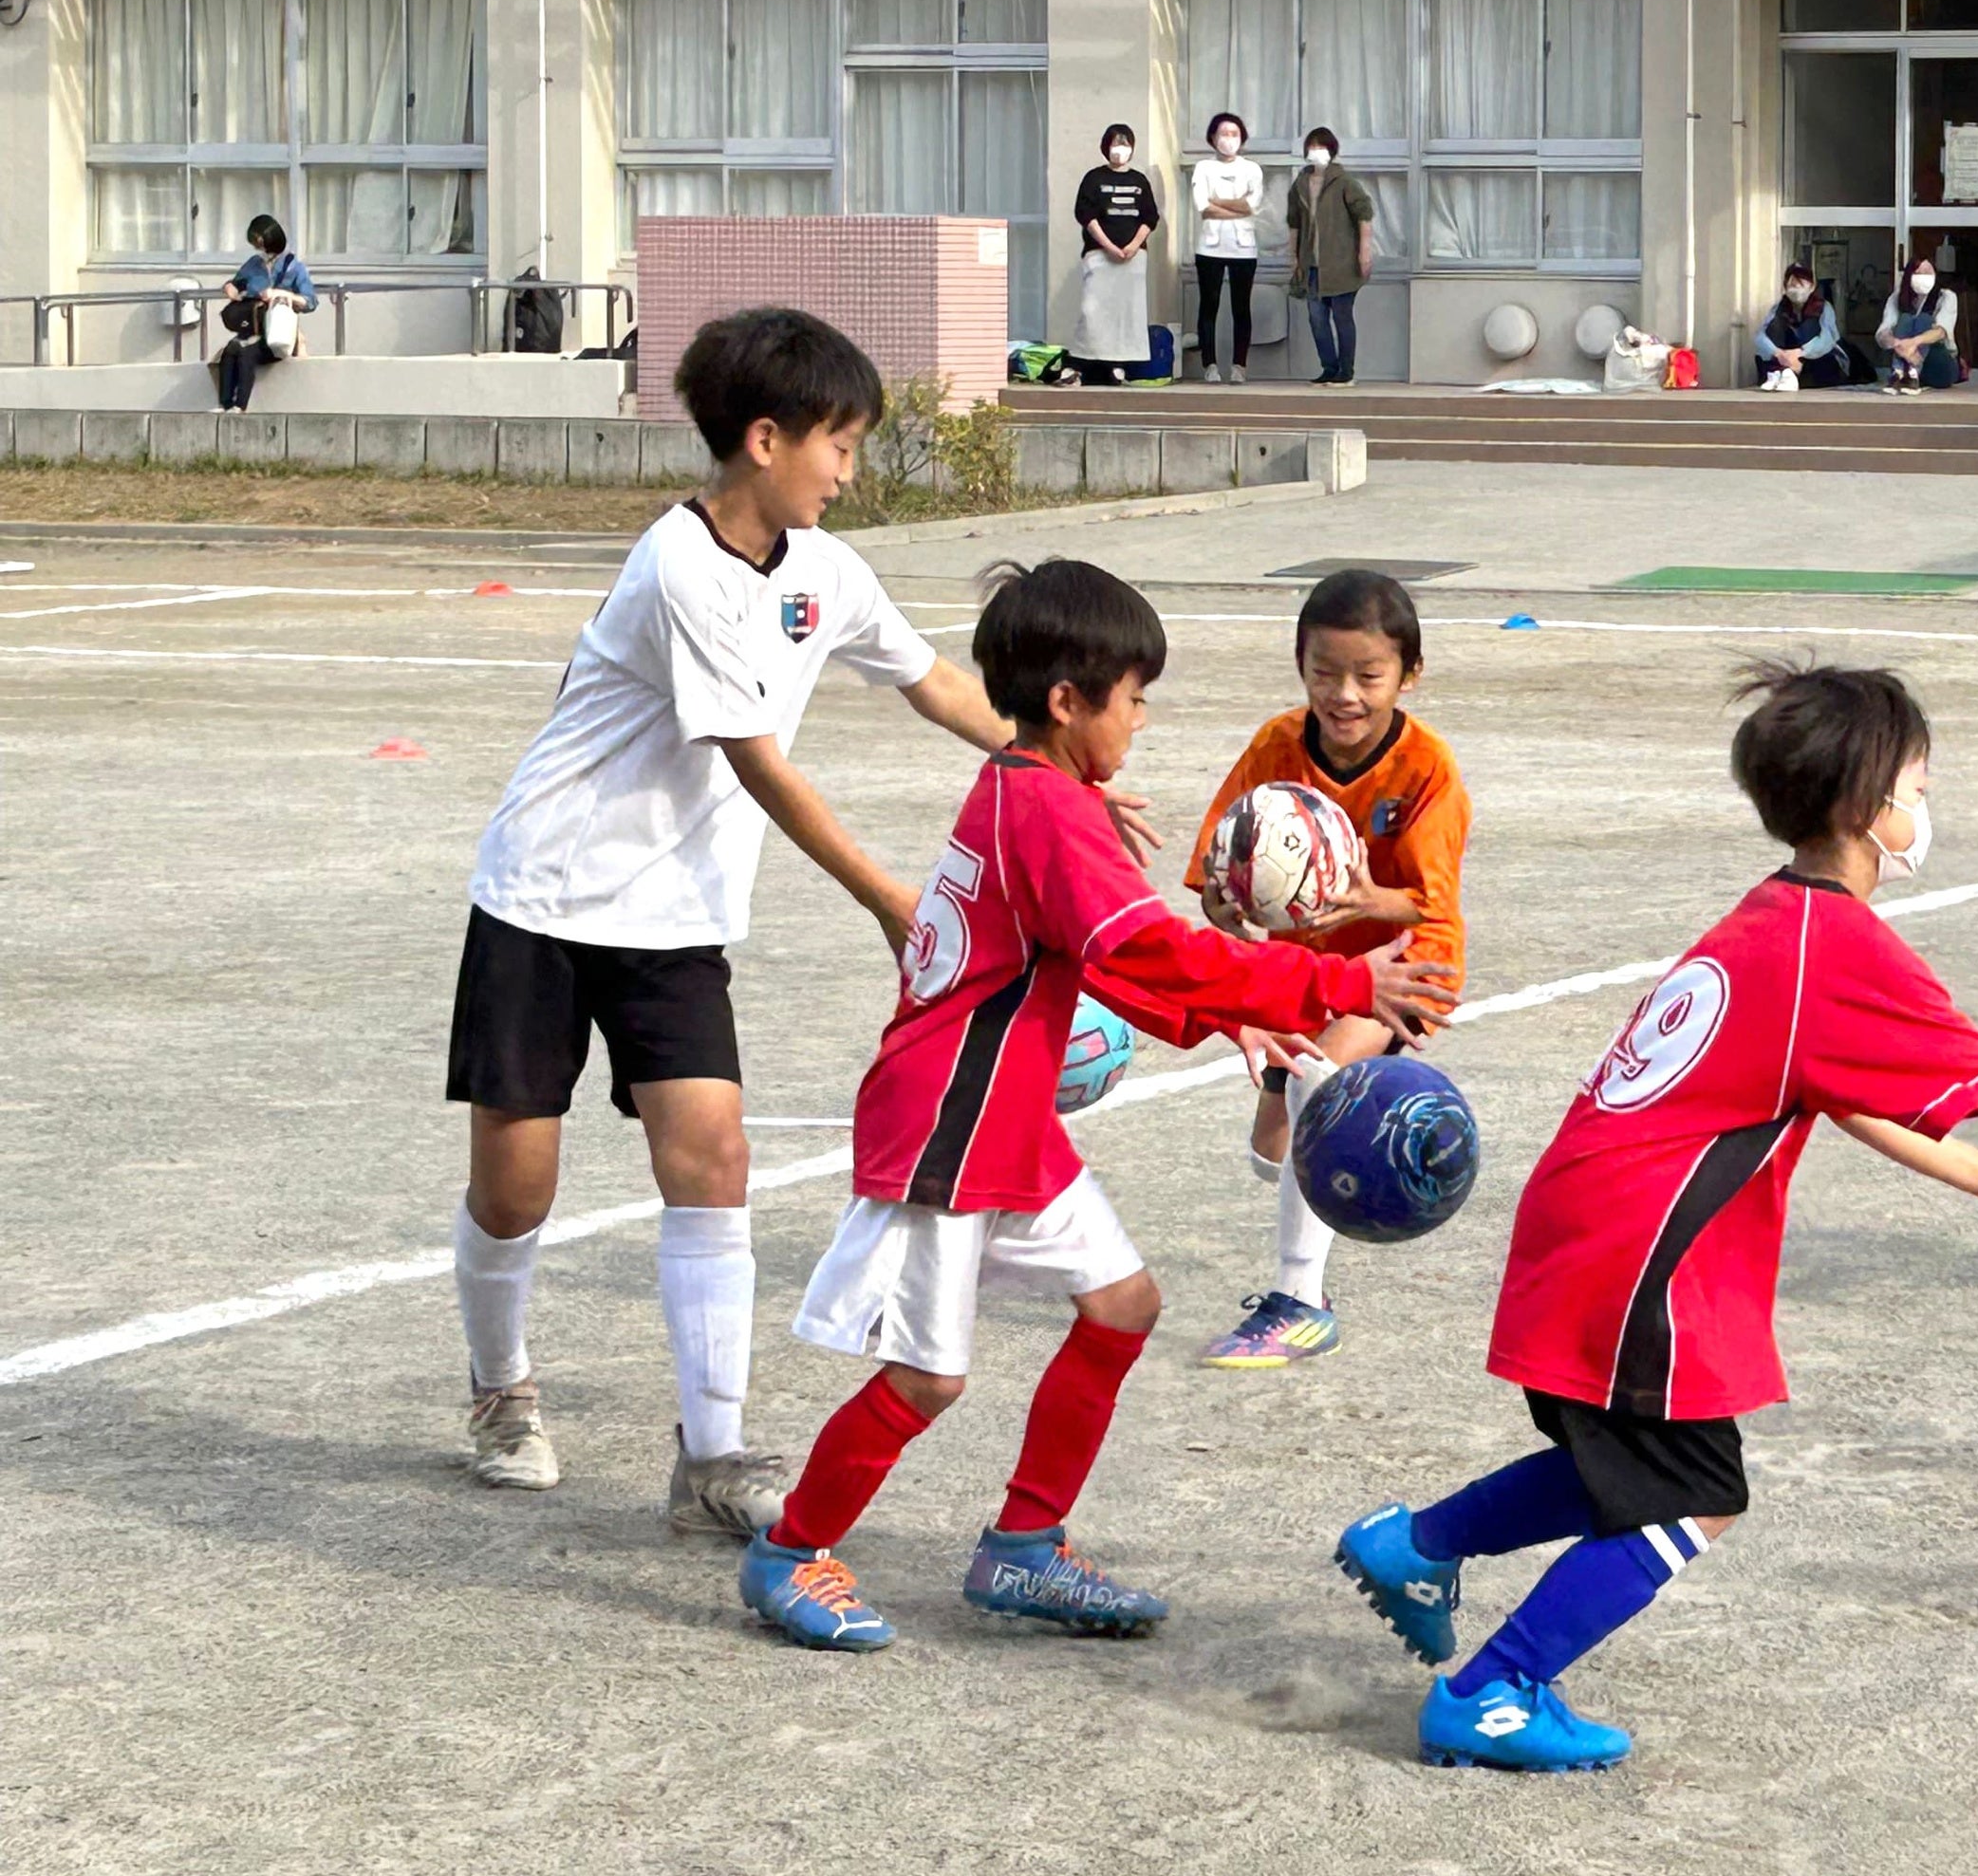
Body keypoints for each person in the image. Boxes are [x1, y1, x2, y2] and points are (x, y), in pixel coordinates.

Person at [1327, 661, 1978, 1773]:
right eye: (1918, 788)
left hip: (1593, 1224)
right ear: (1863, 805)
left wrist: (1974, 1173)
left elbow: (1831, 1087)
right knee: (1698, 1496)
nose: (1925, 808)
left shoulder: (1775, 919)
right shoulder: (1835, 947)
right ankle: (1493, 1690)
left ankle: (1417, 1546)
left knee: (1636, 1465)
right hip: (1638, 1255)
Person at [738, 559, 1451, 1651]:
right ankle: (792, 1551)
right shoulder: (1049, 811)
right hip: (951, 1120)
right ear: (1070, 703)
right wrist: (1338, 982)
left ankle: (1025, 1545)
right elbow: (1149, 945)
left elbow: (1102, 957)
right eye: (1134, 697)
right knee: (927, 1377)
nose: (1142, 719)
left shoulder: (1033, 790)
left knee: (1121, 1304)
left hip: (1008, 1116)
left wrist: (1222, 1018)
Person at [442, 309, 1037, 1528]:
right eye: (839, 445)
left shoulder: (827, 570)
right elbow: (757, 761)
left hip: (674, 920)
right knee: (516, 1186)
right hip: (545, 897)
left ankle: (711, 1459)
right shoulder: (679, 565)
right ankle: (501, 1388)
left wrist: (1044, 764)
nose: (849, 472)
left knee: (713, 1159)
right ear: (765, 440)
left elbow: (930, 679)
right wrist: (887, 896)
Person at [1182, 568, 1472, 1369]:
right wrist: (1229, 906)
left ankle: (1301, 1301)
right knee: (1274, 1154)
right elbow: (1214, 872)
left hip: (1406, 965)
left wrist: (1369, 899)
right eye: (1325, 672)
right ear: (1300, 666)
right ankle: (1372, 1175)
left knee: (1320, 1082)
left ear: (1409, 674)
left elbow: (1431, 902)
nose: (1345, 694)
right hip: (1304, 974)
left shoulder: (1428, 768)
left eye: (1368, 675)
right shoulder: (1275, 746)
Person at [1071, 124, 1162, 386]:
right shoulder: (1093, 178)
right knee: (1093, 311)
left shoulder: (1139, 180)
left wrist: (1134, 245)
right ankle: (1083, 364)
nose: (1120, 150)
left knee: (1127, 313)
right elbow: (1085, 215)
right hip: (1099, 255)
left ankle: (1119, 366)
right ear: (1105, 147)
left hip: (1133, 259)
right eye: (1115, 144)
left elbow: (1150, 217)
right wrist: (1109, 246)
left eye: (1125, 144)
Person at [1287, 126, 1378, 385]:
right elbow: (1294, 221)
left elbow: (1364, 214)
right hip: (1312, 265)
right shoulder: (1300, 184)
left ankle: (1346, 371)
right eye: (1313, 147)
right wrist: (1294, 257)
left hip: (1341, 263)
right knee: (1317, 319)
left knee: (1342, 316)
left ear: (1332, 150)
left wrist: (1364, 251)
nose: (1317, 151)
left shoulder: (1345, 182)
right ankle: (1329, 367)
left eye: (1322, 147)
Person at [1186, 112, 1263, 383]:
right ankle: (1210, 365)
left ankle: (1239, 366)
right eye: (1223, 134)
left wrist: (1218, 201)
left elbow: (1252, 206)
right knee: (1209, 306)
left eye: (1234, 134)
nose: (1228, 139)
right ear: (1213, 138)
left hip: (1244, 248)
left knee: (1241, 308)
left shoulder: (1252, 169)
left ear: (1242, 139)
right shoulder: (1203, 168)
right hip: (1210, 247)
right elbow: (1203, 206)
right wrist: (1236, 207)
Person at [213, 213, 317, 411]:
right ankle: (225, 404)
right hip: (253, 327)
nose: (257, 247)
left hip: (277, 333)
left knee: (247, 354)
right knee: (230, 351)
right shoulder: (254, 264)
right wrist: (230, 287)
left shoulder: (294, 267)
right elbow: (237, 283)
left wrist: (282, 294)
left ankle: (240, 406)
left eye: (258, 242)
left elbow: (310, 301)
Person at [1752, 265, 1851, 392]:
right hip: (1785, 357)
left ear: (1812, 287)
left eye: (1801, 285)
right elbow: (1760, 336)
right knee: (1775, 328)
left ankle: (1790, 374)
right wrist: (1779, 353)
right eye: (1793, 286)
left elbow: (1827, 339)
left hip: (1815, 358)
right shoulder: (1779, 308)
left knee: (1810, 328)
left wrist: (1799, 353)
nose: (1796, 290)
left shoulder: (1823, 307)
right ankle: (1782, 373)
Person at [1875, 253, 1960, 394]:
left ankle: (1913, 374)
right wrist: (1898, 344)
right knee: (1906, 318)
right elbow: (1882, 334)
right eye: (1918, 273)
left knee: (1924, 319)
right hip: (1905, 357)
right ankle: (1900, 374)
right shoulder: (1897, 298)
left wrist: (1913, 343)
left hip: (1938, 364)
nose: (1923, 276)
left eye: (1928, 272)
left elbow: (1941, 332)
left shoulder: (1946, 296)